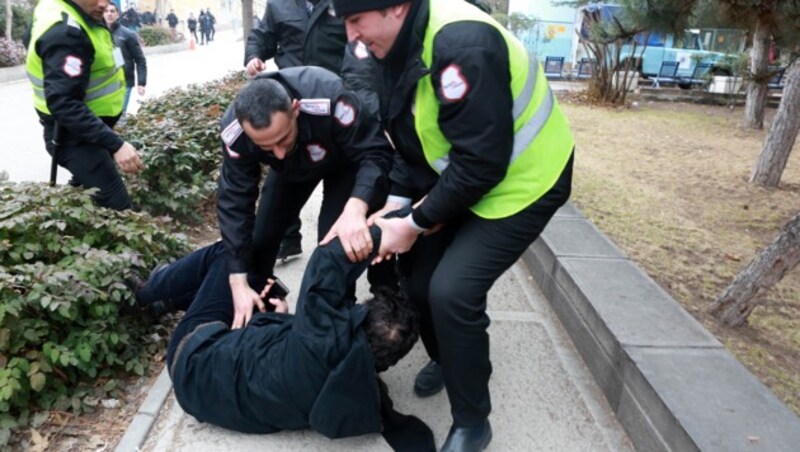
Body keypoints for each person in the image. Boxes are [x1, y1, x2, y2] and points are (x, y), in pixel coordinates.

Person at [332, 0, 576, 450]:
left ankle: (472, 422)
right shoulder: (395, 44)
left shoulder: (462, 44)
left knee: (453, 291)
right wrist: (398, 206)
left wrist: (417, 221)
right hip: (464, 175)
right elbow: (415, 139)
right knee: (420, 283)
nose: (351, 37)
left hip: (525, 181)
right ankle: (451, 357)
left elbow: (482, 163)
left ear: (396, 7)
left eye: (355, 20)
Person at [127, 224, 433, 449]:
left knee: (232, 257)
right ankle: (168, 302)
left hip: (193, 355)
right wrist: (282, 320)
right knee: (266, 292)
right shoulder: (361, 393)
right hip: (206, 403)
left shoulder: (318, 325)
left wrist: (390, 232)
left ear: (358, 317)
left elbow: (328, 260)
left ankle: (147, 293)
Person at [217, 66, 393, 330]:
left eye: (282, 138)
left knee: (334, 245)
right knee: (261, 239)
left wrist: (357, 206)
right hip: (291, 171)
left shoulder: (331, 97)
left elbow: (376, 153)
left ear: (295, 109)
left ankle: (337, 334)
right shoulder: (236, 133)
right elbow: (234, 202)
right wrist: (238, 281)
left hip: (345, 161)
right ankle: (260, 317)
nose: (276, 152)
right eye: (266, 146)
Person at [244, 0, 378, 262]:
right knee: (267, 222)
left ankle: (341, 294)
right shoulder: (279, 5)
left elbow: (362, 50)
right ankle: (287, 243)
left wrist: (355, 99)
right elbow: (263, 35)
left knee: (332, 237)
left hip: (336, 113)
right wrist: (253, 56)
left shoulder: (342, 6)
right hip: (292, 114)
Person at [25, 0, 144, 211]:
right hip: (73, 138)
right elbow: (64, 103)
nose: (103, 5)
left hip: (90, 131)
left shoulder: (73, 9)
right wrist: (116, 145)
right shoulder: (66, 33)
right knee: (119, 208)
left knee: (87, 197)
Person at [104, 2, 147, 117]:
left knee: (120, 117)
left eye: (112, 11)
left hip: (124, 82)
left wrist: (141, 83)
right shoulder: (98, 33)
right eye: (106, 11)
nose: (109, 14)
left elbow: (140, 60)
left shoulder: (128, 34)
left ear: (118, 14)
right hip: (105, 83)